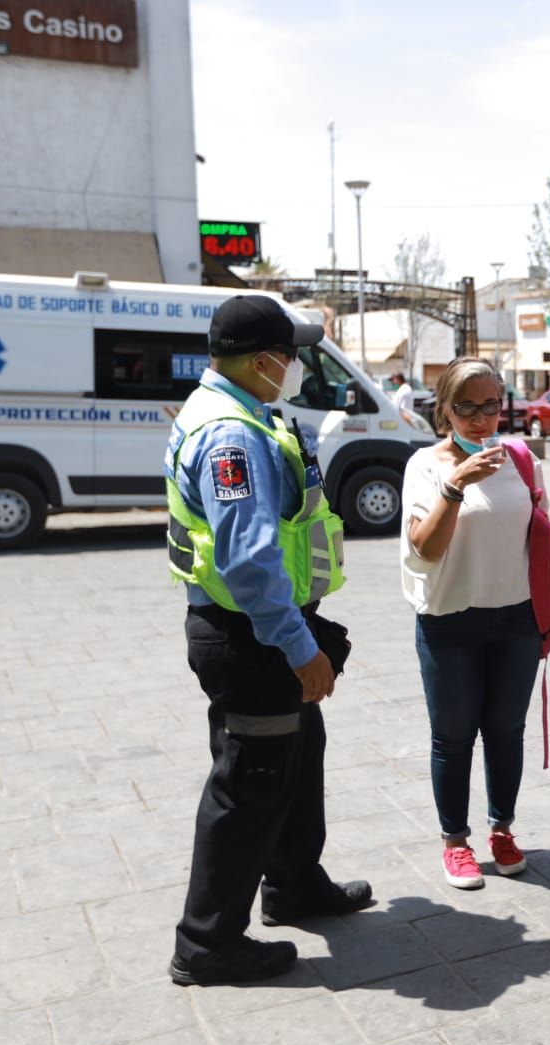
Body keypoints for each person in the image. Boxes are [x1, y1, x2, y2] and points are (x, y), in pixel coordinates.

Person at [164, 294, 370, 987]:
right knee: (248, 783)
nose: (295, 365)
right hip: (253, 633)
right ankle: (207, 944)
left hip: (260, 627)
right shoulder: (232, 436)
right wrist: (298, 646)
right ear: (261, 362)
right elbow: (247, 560)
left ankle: (294, 885)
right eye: (290, 354)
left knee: (295, 755)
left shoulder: (242, 412)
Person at [402, 358, 550, 889]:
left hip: (517, 618)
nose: (480, 419)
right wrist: (455, 487)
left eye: (491, 406)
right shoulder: (425, 466)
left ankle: (502, 829)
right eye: (467, 407)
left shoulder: (520, 458)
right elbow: (425, 548)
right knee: (452, 737)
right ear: (444, 409)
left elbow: (537, 536)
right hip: (449, 617)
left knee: (506, 731)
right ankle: (455, 841)